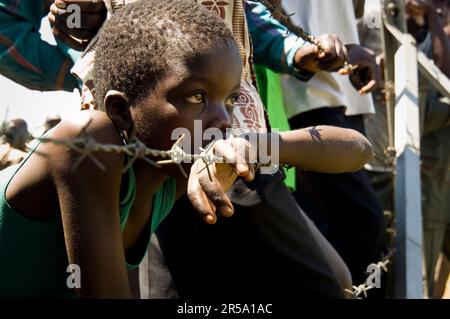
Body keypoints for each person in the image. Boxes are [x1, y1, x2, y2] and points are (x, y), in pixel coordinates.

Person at [0, 0, 374, 298]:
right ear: (118, 109)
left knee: (333, 277)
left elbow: (358, 149)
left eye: (230, 100)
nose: (224, 120)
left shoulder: (173, 174)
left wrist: (256, 145)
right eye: (197, 96)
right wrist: (73, 71)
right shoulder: (89, 141)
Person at [279, 0, 387, 289]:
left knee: (347, 225)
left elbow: (357, 10)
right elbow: (265, 13)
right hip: (302, 88)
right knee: (359, 222)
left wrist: (353, 48)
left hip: (344, 87)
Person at [360, 0, 450, 297]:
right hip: (371, 159)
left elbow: (441, 82)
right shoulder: (375, 15)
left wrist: (430, 20)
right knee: (370, 259)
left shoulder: (426, 30)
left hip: (411, 162)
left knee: (410, 257)